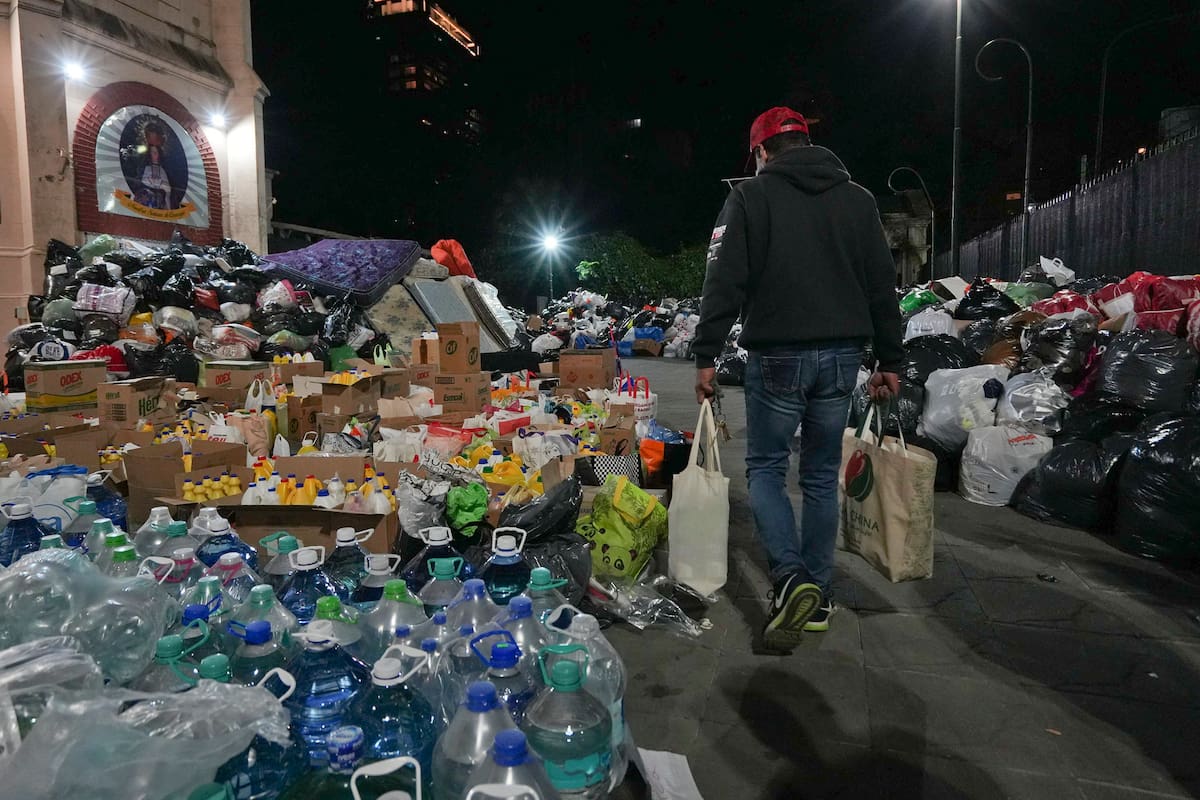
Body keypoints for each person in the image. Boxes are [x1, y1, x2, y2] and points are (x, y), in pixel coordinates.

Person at [692, 106, 903, 650]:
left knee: (764, 468)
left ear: (762, 152)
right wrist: (890, 361)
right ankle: (820, 595)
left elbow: (725, 280)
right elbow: (883, 284)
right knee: (819, 474)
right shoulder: (857, 200)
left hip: (777, 357)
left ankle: (789, 581)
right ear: (807, 142)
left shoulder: (749, 197)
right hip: (841, 357)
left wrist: (706, 354)